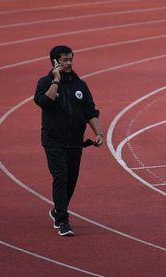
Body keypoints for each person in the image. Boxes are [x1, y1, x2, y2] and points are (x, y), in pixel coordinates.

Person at [33, 45, 103, 237]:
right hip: (53, 141)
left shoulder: (80, 85)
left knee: (71, 180)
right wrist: (56, 81)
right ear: (55, 62)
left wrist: (99, 134)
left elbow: (90, 111)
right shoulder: (45, 82)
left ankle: (57, 209)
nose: (69, 62)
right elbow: (45, 103)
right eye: (64, 60)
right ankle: (63, 220)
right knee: (61, 177)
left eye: (70, 59)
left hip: (75, 142)